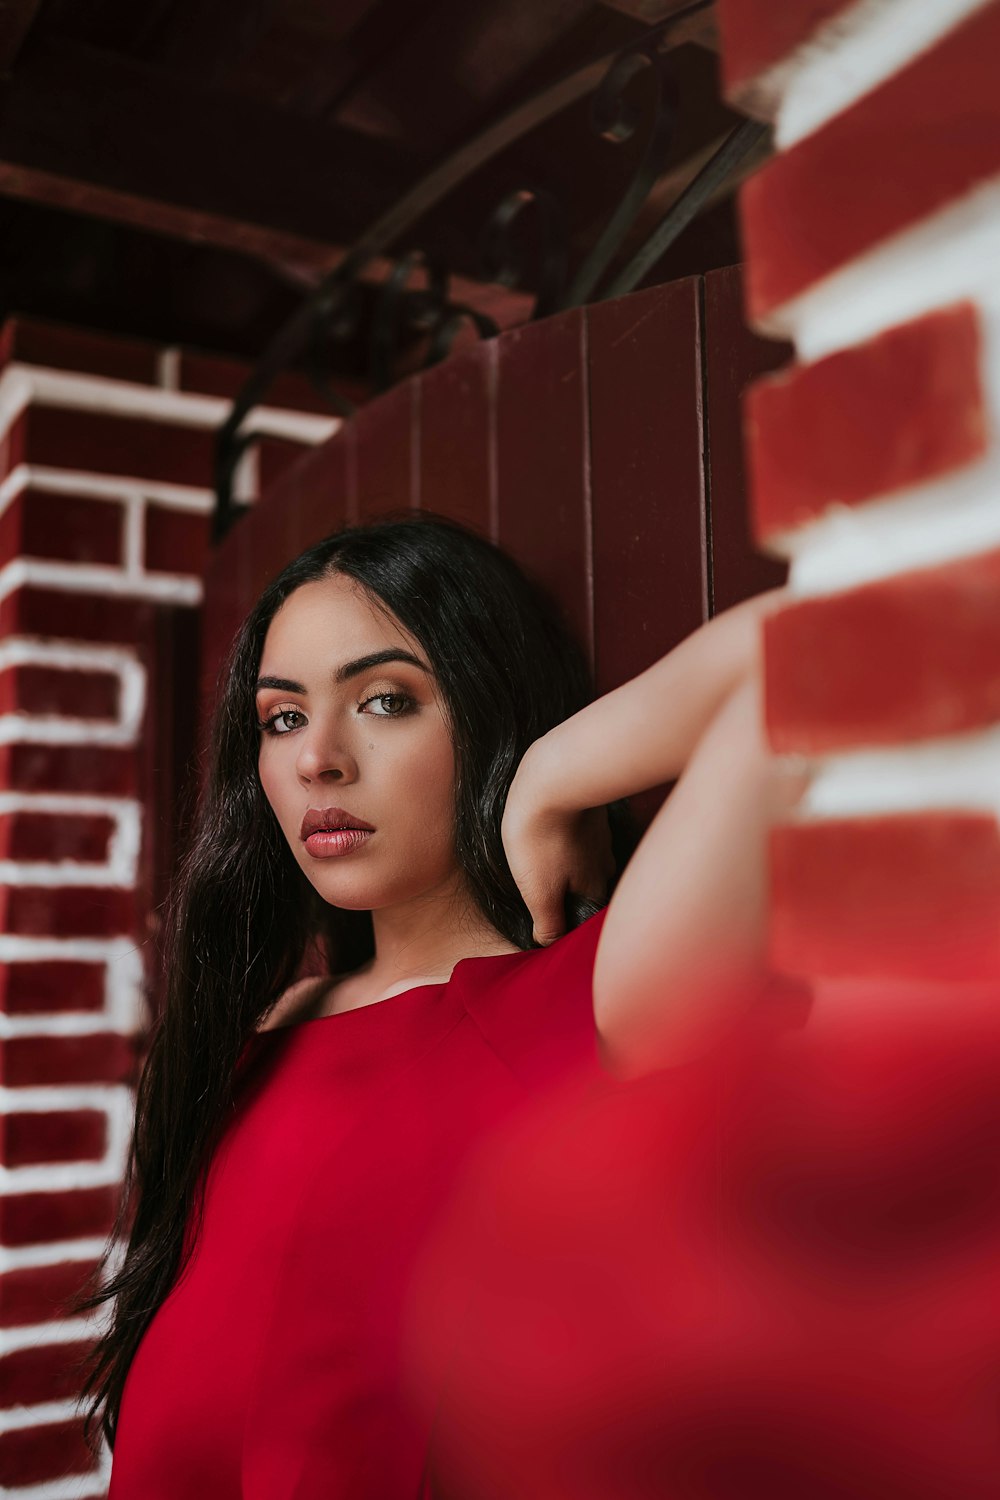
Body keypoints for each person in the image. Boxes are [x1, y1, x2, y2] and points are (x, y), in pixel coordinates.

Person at [73, 513, 805, 1497]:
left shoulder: (591, 1000)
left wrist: (553, 775)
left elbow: (827, 642)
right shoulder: (242, 1039)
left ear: (483, 705)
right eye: (282, 716)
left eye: (384, 700)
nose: (315, 759)